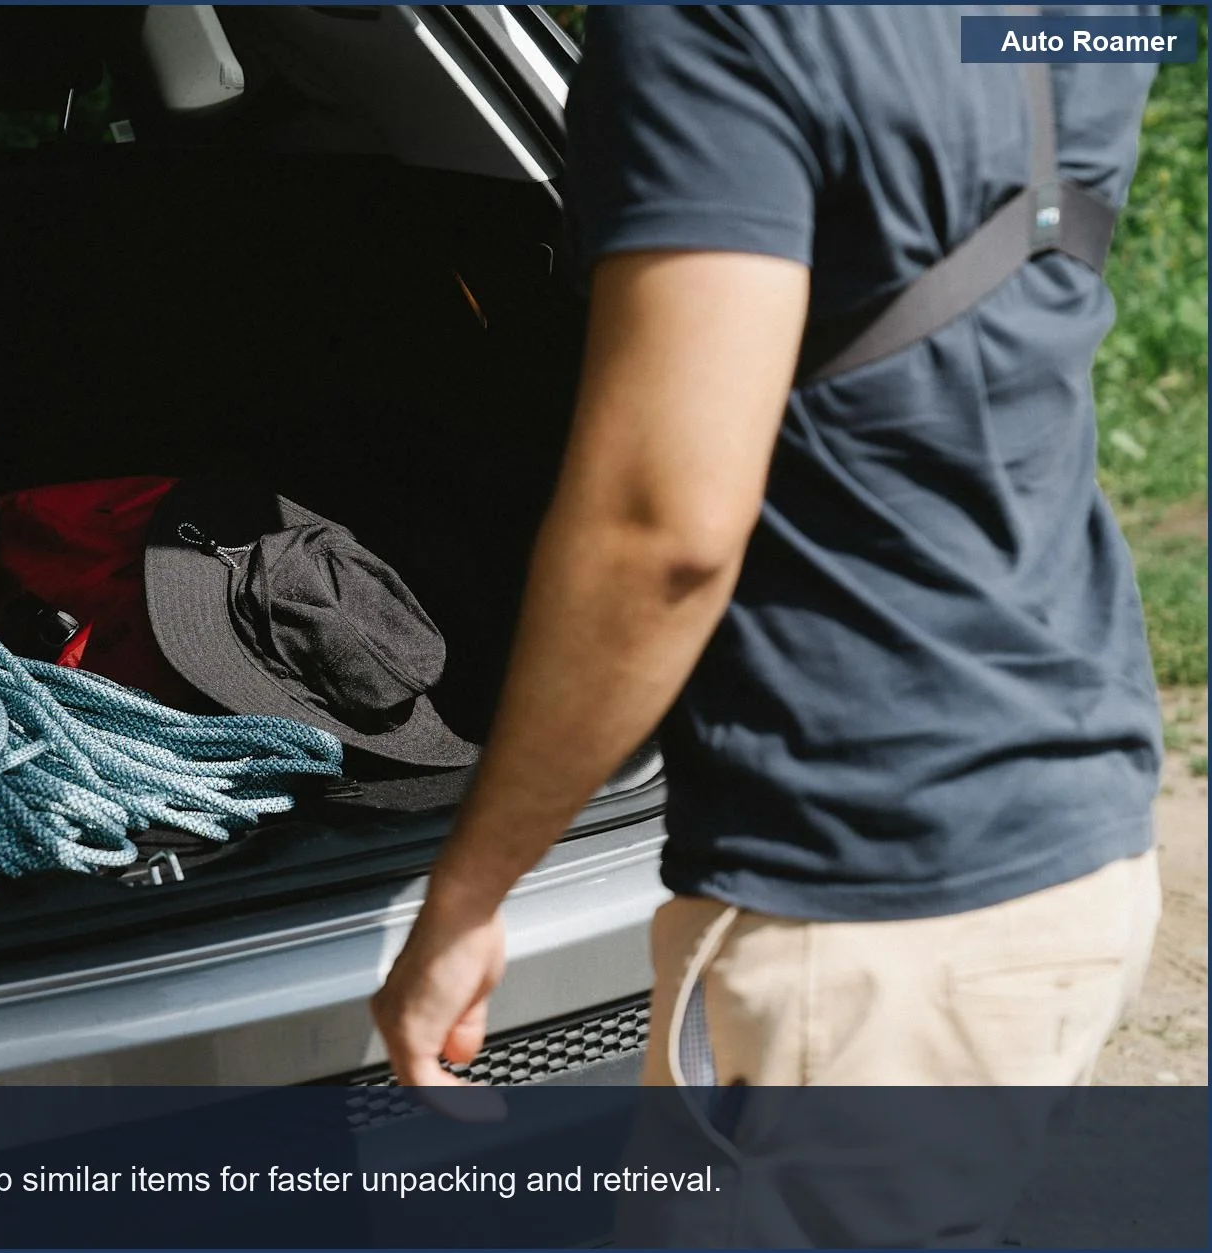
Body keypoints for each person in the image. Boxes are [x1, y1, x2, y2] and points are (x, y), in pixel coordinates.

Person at [370, 5, 1165, 1100]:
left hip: (867, 903)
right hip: (1079, 818)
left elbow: (664, 536)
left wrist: (467, 895)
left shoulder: (704, 21)